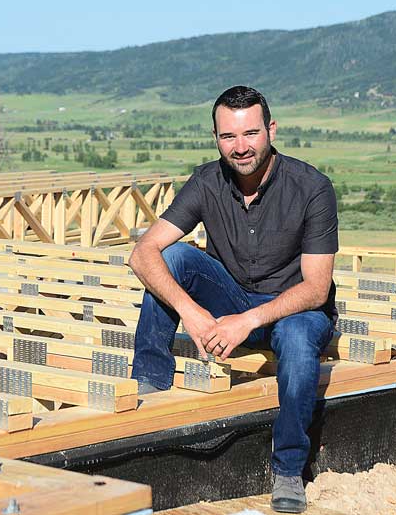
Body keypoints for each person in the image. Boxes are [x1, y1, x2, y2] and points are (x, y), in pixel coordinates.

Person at [128, 85, 338, 514]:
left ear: (271, 130)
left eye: (250, 134)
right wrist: (194, 312)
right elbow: (142, 254)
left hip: (294, 308)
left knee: (299, 347)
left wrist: (245, 321)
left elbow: (316, 288)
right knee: (171, 256)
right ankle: (149, 387)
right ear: (216, 138)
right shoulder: (207, 181)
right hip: (232, 294)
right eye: (228, 137)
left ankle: (288, 468)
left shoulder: (312, 187)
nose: (240, 147)